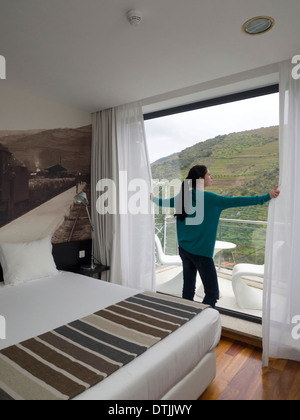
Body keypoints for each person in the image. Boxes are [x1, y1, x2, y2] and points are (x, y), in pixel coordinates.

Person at [151, 165, 280, 308]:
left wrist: (152, 197)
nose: (212, 177)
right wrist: (267, 196)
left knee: (188, 287)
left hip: (184, 250)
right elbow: (239, 201)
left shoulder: (182, 197)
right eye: (209, 175)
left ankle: (186, 314)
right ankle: (202, 320)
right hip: (201, 254)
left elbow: (162, 202)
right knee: (212, 293)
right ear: (200, 179)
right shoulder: (211, 199)